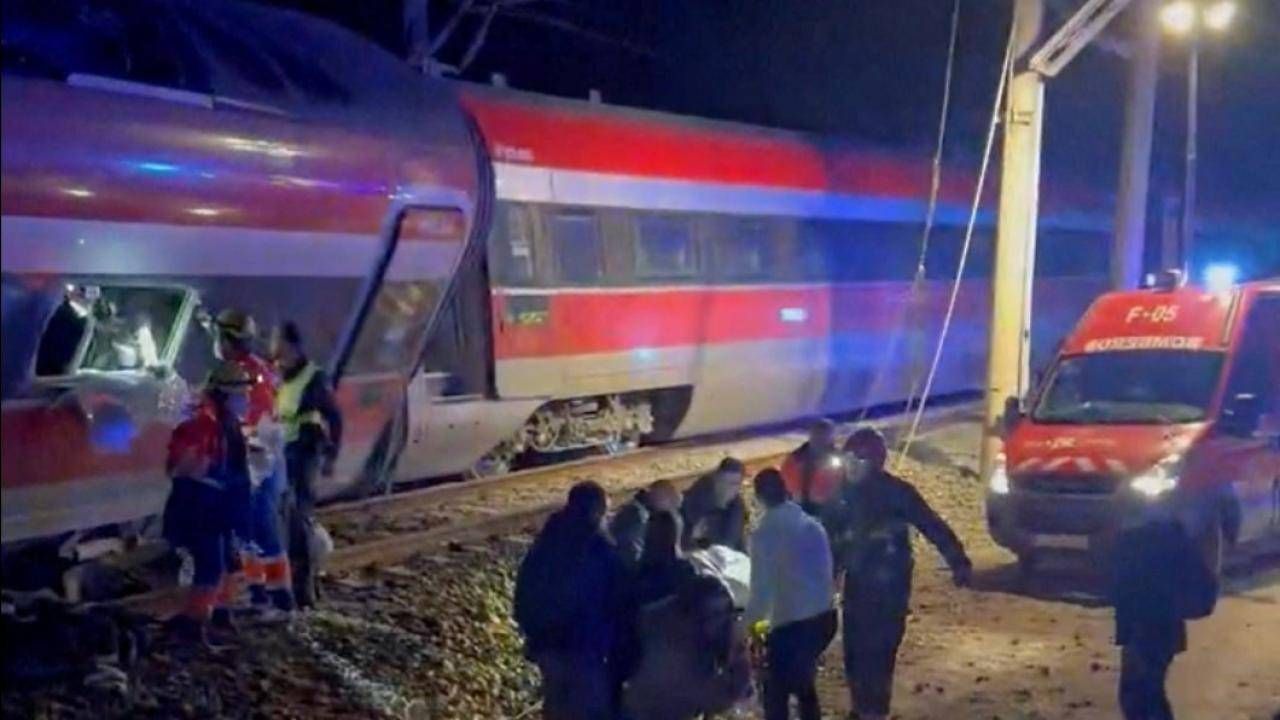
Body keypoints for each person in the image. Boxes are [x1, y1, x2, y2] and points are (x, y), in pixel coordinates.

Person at [826, 428, 972, 720]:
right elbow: (831, 537)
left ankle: (875, 711)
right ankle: (860, 708)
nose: (850, 467)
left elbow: (931, 524)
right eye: (847, 460)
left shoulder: (897, 493)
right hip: (857, 586)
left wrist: (958, 561)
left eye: (857, 460)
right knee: (854, 651)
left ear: (874, 463)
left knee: (881, 653)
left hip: (890, 589)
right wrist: (828, 574)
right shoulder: (842, 494)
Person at [514, 482, 629, 720]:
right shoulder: (602, 550)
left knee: (556, 701)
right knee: (590, 707)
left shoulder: (547, 542)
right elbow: (616, 600)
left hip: (547, 642)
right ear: (598, 511)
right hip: (586, 647)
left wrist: (531, 631)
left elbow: (525, 588)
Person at [161, 362, 253, 645]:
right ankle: (194, 623)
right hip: (201, 504)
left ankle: (219, 615)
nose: (245, 398)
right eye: (240, 393)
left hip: (220, 503)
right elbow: (181, 466)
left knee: (227, 561)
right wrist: (208, 472)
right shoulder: (203, 423)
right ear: (224, 393)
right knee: (211, 565)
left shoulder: (226, 422)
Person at [214, 309, 294, 615]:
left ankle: (280, 599)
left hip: (259, 463)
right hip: (253, 461)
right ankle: (259, 595)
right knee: (246, 530)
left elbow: (251, 422)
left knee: (261, 526)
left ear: (227, 339)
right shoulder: (251, 369)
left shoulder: (248, 375)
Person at [746, 468, 837, 720]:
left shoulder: (764, 535)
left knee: (775, 690)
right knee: (803, 682)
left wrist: (743, 628)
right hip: (825, 620)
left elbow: (761, 595)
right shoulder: (813, 525)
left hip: (794, 628)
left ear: (759, 499)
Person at [1113, 508, 1217, 720]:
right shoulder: (1168, 535)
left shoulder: (1152, 538)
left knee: (1141, 693)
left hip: (1150, 626)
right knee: (1145, 692)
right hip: (1154, 626)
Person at [270, 321, 343, 609]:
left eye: (277, 340)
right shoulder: (277, 375)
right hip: (279, 453)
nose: (272, 346)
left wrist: (332, 456)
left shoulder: (314, 378)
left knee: (298, 518)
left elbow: (334, 417)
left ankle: (305, 587)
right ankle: (287, 582)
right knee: (281, 518)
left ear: (290, 344)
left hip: (304, 454)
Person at [609, 479, 681, 568]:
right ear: (660, 498)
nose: (670, 514)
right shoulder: (637, 517)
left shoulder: (642, 513)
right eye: (670, 505)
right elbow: (631, 554)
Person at [681, 457, 748, 551]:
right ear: (716, 480)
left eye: (735, 484)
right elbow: (687, 543)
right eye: (724, 482)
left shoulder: (737, 505)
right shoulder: (695, 502)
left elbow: (737, 539)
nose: (728, 489)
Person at [634, 511, 698, 607]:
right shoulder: (640, 570)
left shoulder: (685, 571)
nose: (655, 539)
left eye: (662, 534)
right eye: (652, 534)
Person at [780, 419, 843, 514]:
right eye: (817, 437)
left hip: (828, 510)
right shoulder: (795, 459)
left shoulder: (839, 460)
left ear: (831, 439)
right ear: (811, 436)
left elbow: (844, 485)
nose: (819, 442)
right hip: (799, 509)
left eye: (823, 438)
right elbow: (783, 484)